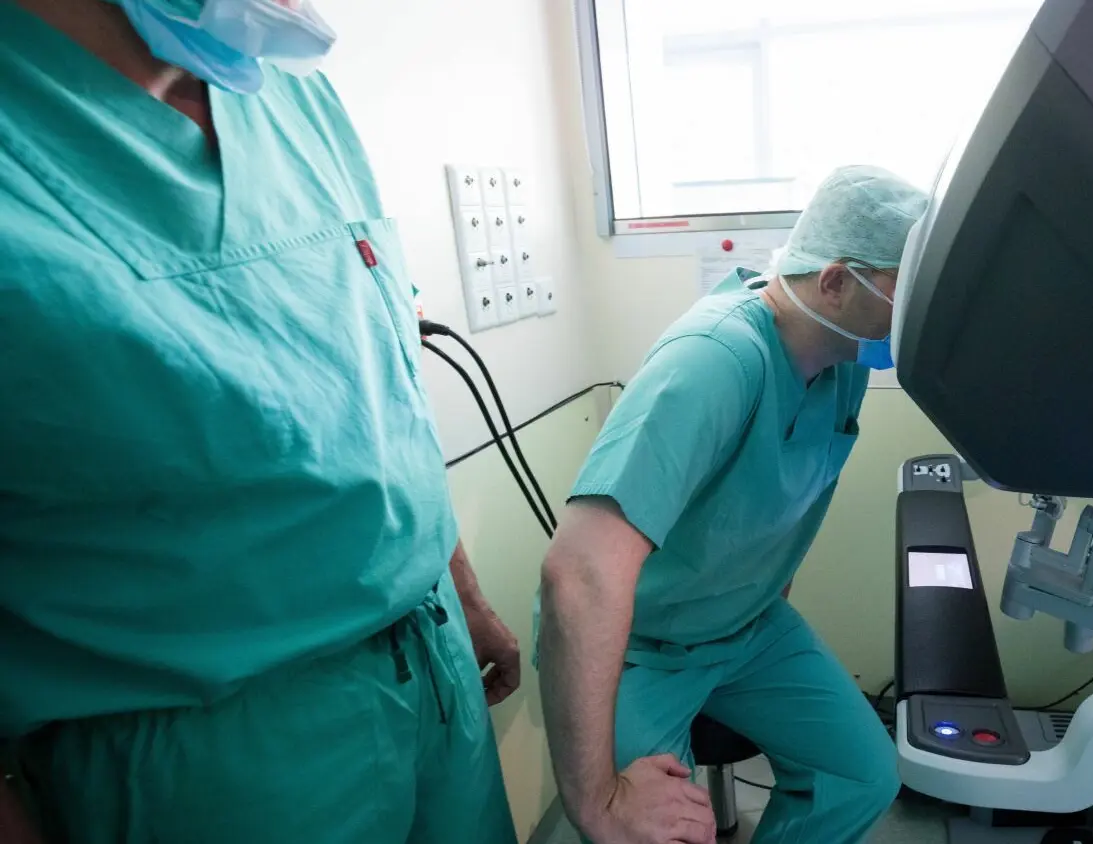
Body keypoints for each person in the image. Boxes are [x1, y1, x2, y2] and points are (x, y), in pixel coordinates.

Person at [0, 1, 522, 842]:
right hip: (211, 760)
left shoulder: (295, 98)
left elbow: (383, 385)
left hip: (433, 665)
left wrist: (460, 588)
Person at [539, 164, 930, 844]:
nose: (919, 317)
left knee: (862, 775)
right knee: (666, 830)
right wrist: (598, 801)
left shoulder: (841, 367)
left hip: (748, 627)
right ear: (835, 282)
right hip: (645, 647)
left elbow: (777, 506)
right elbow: (578, 573)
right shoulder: (714, 359)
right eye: (907, 293)